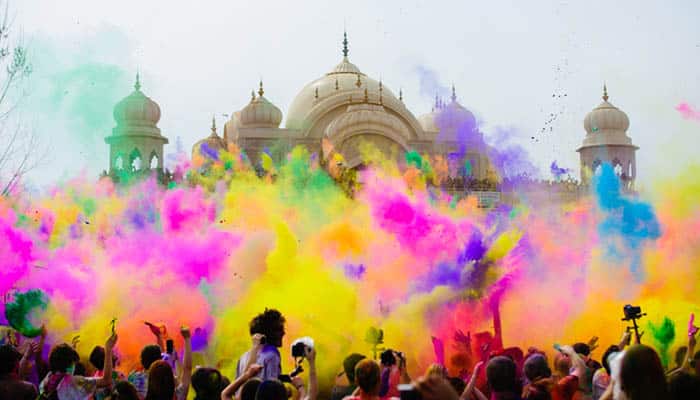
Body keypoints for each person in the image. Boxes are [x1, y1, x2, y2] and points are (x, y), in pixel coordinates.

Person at [38, 333, 117, 400]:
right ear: (69, 365)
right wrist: (108, 349)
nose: (75, 366)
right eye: (73, 363)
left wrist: (70, 351)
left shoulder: (47, 380)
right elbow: (106, 380)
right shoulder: (74, 382)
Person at [236, 309, 286, 381]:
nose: (283, 332)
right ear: (270, 333)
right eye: (280, 329)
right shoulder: (272, 353)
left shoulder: (243, 357)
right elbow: (271, 386)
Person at [144, 326, 192, 400]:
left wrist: (159, 337)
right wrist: (187, 338)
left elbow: (158, 369)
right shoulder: (179, 396)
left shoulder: (141, 391)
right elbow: (187, 369)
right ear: (171, 379)